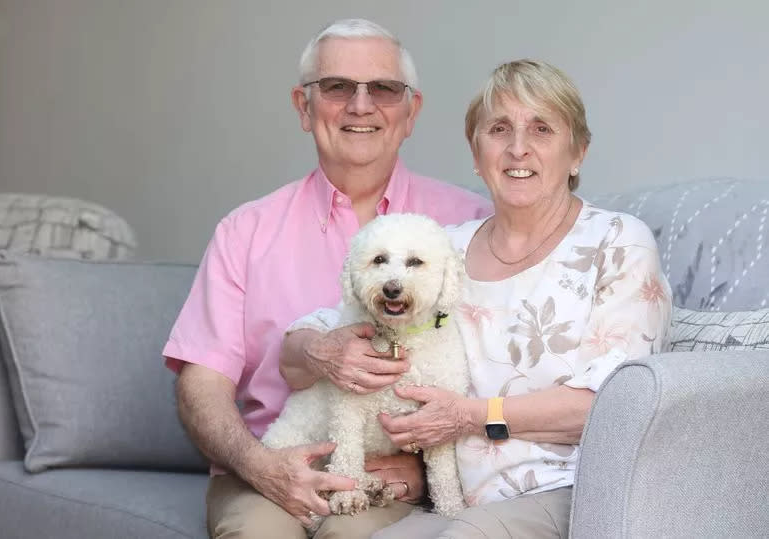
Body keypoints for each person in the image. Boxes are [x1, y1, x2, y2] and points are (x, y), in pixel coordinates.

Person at [282, 59, 672, 538]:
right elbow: (327, 324)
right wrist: (317, 350)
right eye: (499, 129)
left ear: (578, 154)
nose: (518, 148)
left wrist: (466, 418)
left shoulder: (617, 243)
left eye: (542, 129)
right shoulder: (444, 248)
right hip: (447, 492)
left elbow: (617, 404)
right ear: (476, 151)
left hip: (568, 487)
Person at [162, 18, 492, 539]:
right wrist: (261, 467)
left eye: (383, 88)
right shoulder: (245, 231)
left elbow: (502, 374)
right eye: (337, 87)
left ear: (412, 111)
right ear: (303, 106)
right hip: (267, 465)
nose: (361, 106)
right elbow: (199, 385)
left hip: (397, 475)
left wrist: (424, 472)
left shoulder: (469, 225)